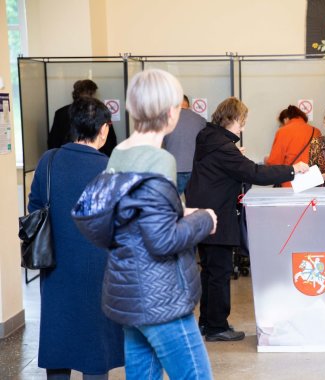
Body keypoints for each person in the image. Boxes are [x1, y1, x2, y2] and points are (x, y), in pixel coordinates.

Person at [72, 69, 218, 380]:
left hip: (128, 288)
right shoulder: (158, 159)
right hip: (160, 293)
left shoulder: (118, 155)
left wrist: (181, 211)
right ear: (170, 112)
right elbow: (162, 239)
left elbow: (133, 216)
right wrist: (205, 218)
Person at [185, 97, 309, 342]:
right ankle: (217, 326)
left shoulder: (208, 138)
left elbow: (226, 167)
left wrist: (234, 156)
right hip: (217, 216)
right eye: (242, 122)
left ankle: (207, 323)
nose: (242, 128)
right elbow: (254, 173)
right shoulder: (223, 147)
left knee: (210, 271)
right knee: (219, 272)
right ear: (231, 120)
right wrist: (293, 170)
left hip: (202, 214)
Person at [29, 97, 124, 380]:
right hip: (100, 268)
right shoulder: (111, 168)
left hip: (56, 264)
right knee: (97, 347)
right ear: (104, 130)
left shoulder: (49, 160)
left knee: (59, 339)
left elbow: (35, 207)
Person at [48, 79, 117, 156]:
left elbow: (53, 142)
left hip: (65, 158)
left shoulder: (61, 113)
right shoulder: (101, 112)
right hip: (95, 158)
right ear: (91, 94)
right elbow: (110, 142)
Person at [266, 105, 321, 187]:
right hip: (311, 182)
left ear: (286, 119)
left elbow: (275, 163)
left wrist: (266, 160)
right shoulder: (316, 131)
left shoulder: (282, 132)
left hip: (289, 183)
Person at [163, 107, 207, 194]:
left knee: (172, 201)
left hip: (174, 168)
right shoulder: (200, 119)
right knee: (194, 203)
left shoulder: (167, 119)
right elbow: (206, 142)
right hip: (194, 169)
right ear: (189, 105)